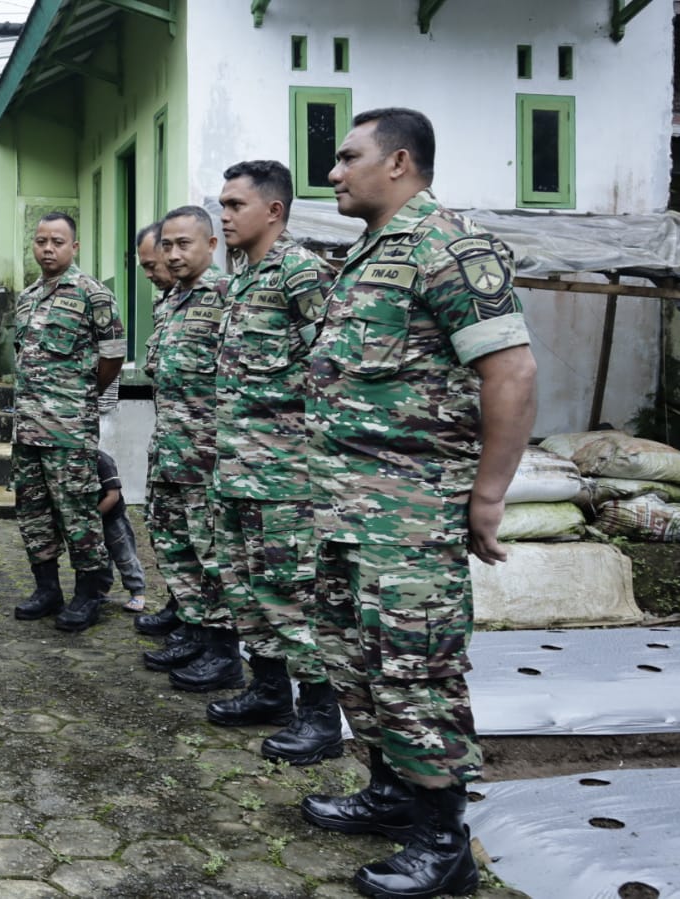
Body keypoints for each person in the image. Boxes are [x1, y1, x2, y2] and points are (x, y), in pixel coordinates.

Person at [301, 108, 536, 899]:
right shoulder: (367, 253)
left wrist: (488, 494)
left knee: (415, 670)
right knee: (354, 660)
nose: (332, 173)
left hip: (407, 514)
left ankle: (443, 844)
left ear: (398, 163)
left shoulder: (448, 246)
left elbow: (510, 372)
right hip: (343, 508)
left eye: (346, 158)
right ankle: (390, 793)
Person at [205, 160, 341, 766]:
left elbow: (333, 372)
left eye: (235, 205)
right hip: (236, 467)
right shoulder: (241, 278)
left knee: (291, 594)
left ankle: (319, 716)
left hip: (285, 478)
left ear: (274, 211)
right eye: (223, 204)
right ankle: (268, 692)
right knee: (244, 587)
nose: (225, 216)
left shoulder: (302, 273)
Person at [9, 212, 125, 632]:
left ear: (74, 246)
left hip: (68, 430)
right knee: (33, 512)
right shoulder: (27, 297)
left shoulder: (93, 295)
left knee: (77, 512)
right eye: (41, 241)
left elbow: (112, 356)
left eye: (57, 241)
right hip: (26, 429)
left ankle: (89, 593)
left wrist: (80, 398)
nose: (48, 248)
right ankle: (47, 589)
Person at [140, 206, 236, 688]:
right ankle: (196, 635)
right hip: (172, 452)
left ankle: (223, 654)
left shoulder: (226, 298)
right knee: (177, 551)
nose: (173, 255)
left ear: (212, 245)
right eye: (168, 246)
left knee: (212, 556)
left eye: (185, 245)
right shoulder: (171, 301)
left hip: (208, 459)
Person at [130, 221, 185, 637]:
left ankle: (201, 625)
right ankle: (180, 604)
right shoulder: (167, 303)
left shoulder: (216, 297)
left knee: (203, 543)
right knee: (168, 531)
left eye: (153, 264)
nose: (149, 274)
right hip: (169, 437)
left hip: (202, 447)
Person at [96, 450, 148, 612]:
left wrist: (94, 517)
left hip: (113, 517)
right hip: (90, 521)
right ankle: (100, 591)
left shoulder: (102, 461)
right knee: (99, 557)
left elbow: (113, 496)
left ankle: (138, 593)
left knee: (124, 554)